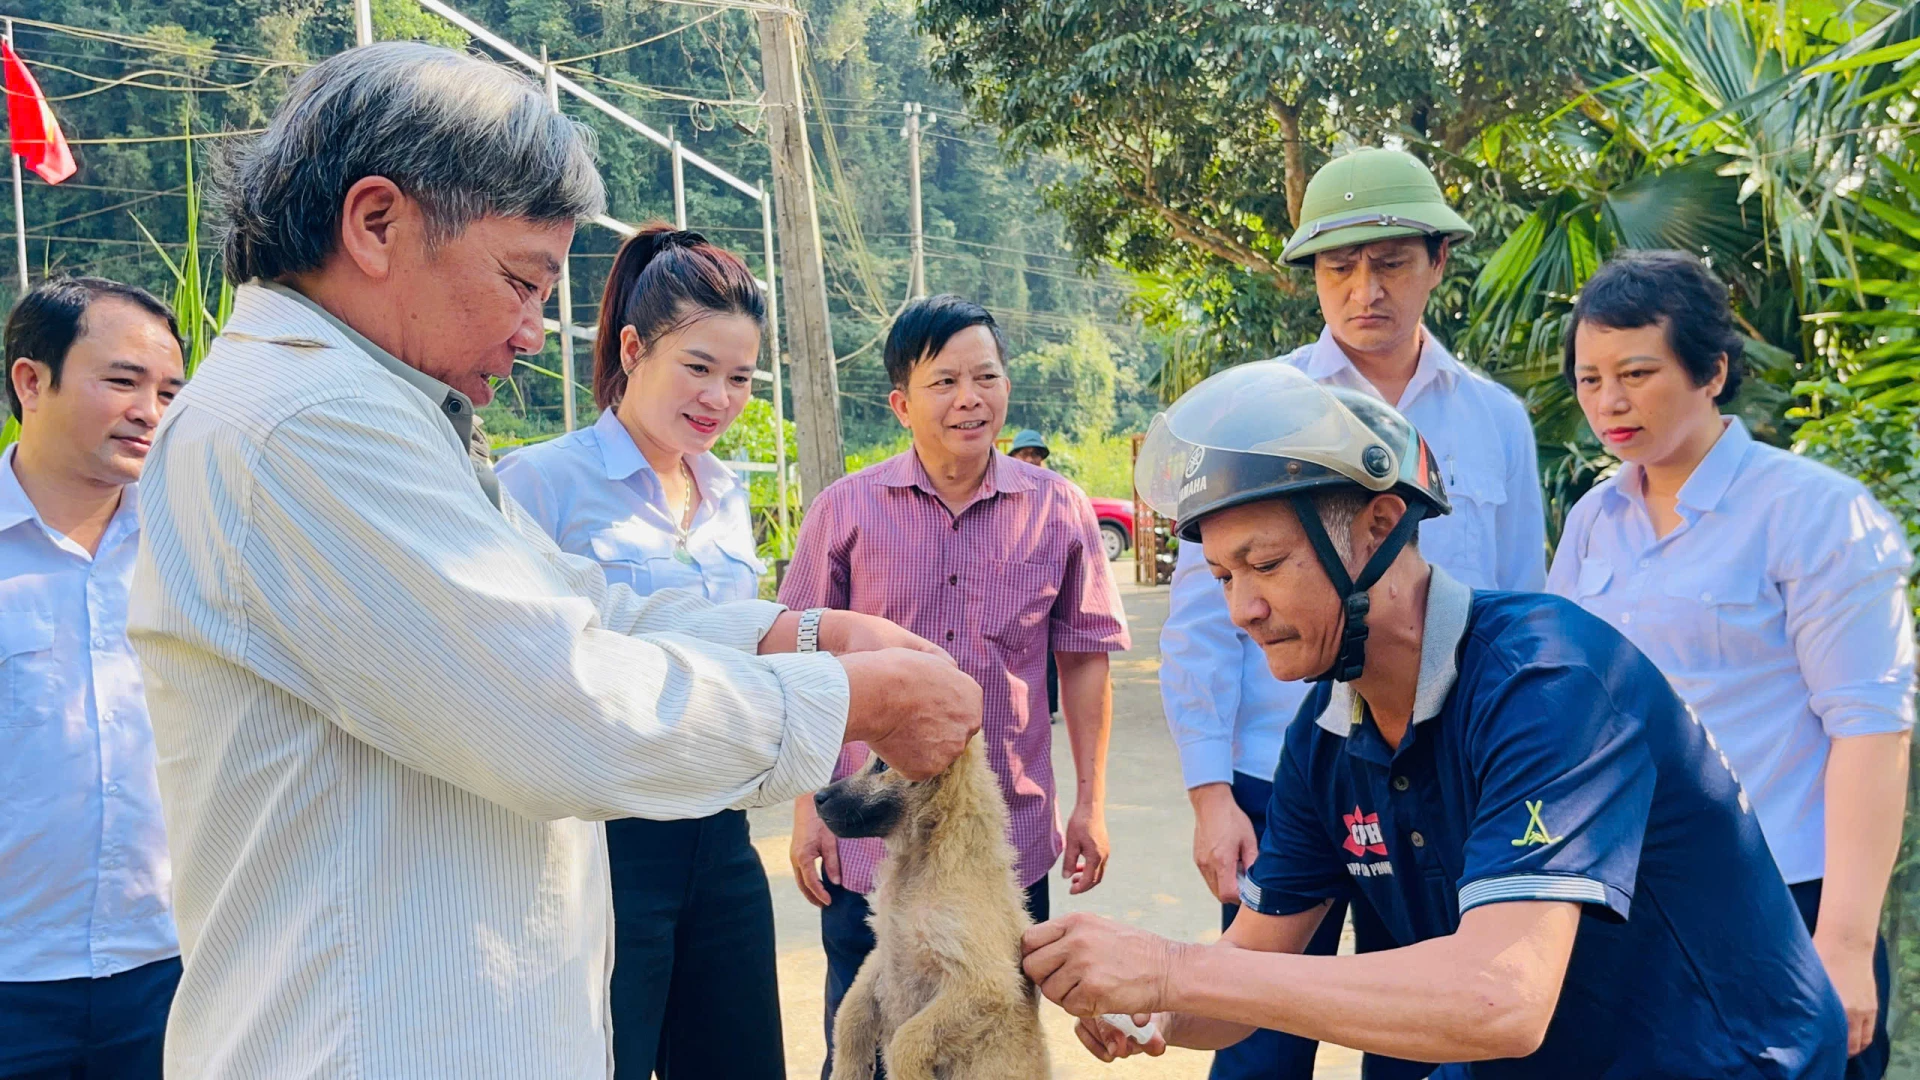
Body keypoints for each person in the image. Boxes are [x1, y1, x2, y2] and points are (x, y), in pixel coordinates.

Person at [128, 43, 980, 1080]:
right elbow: (556, 705)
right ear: (377, 222)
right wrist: (845, 697)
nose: (536, 331)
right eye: (521, 281)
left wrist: (793, 633)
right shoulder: (307, 425)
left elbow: (572, 607)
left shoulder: (378, 410)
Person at [1025, 360, 1847, 1077]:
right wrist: (1152, 1010)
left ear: (1380, 525)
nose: (1243, 607)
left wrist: (1173, 973)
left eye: (1265, 564)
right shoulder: (1325, 736)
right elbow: (1248, 975)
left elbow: (1499, 998)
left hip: (1722, 1061)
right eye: (1222, 576)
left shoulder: (1550, 683)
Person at [1158, 145, 1545, 1080]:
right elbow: (1202, 624)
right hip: (1281, 777)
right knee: (1253, 1029)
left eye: (1391, 262)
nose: (1364, 288)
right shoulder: (1252, 414)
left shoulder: (1495, 418)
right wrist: (1212, 796)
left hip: (1444, 778)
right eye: (1339, 267)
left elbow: (1522, 598)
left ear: (1437, 264)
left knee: (1419, 1032)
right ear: (1313, 277)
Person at [1548, 250, 1914, 1078]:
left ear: (1712, 370)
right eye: (1589, 378)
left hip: (1783, 902)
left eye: (1637, 373)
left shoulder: (1817, 515)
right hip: (1631, 898)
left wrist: (1847, 945)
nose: (1609, 401)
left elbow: (1871, 729)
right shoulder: (1592, 521)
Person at [780, 294, 1131, 1079]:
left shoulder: (1060, 510)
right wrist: (807, 808)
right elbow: (802, 665)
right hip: (870, 839)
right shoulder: (845, 511)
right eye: (944, 382)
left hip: (1004, 843)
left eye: (986, 376)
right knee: (865, 1035)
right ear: (903, 402)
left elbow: (1083, 658)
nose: (970, 398)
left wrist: (1092, 803)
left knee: (988, 1044)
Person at [495, 225, 788, 1079]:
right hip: (604, 848)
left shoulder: (729, 496)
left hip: (723, 838)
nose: (720, 397)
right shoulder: (541, 483)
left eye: (740, 377)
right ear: (633, 348)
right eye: (698, 367)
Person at [0, 278, 185, 1080]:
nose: (149, 410)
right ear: (30, 381)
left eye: (169, 391)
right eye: (122, 381)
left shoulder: (191, 550)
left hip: (168, 965)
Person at [1007, 429, 1060, 718]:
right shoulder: (1003, 491)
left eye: (1036, 455)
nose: (1031, 459)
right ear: (1014, 456)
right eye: (1025, 454)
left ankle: (1048, 708)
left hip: (1046, 579)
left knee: (1048, 651)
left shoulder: (1053, 491)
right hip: (1012, 581)